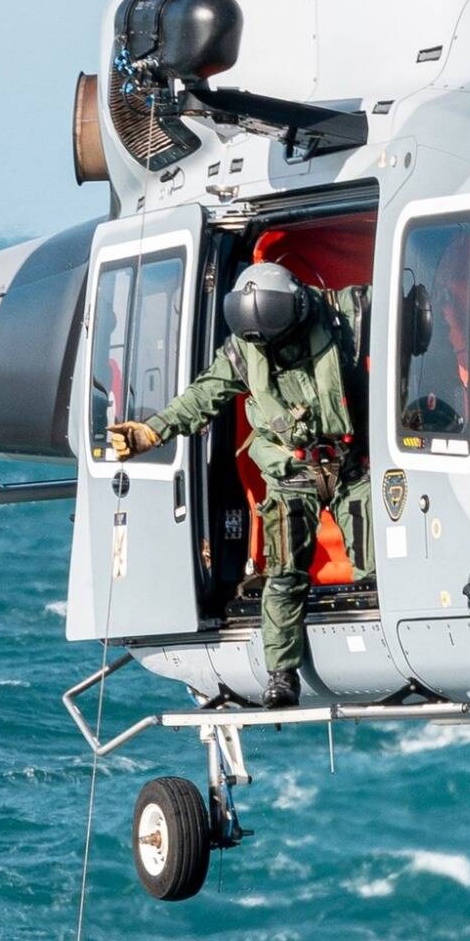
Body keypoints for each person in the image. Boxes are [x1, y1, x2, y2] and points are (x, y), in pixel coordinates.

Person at [106, 261, 371, 710]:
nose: (270, 349)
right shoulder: (243, 352)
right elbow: (203, 396)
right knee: (284, 575)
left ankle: (377, 648)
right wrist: (153, 431)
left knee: (377, 563)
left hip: (349, 466)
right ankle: (281, 673)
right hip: (290, 475)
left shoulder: (348, 315)